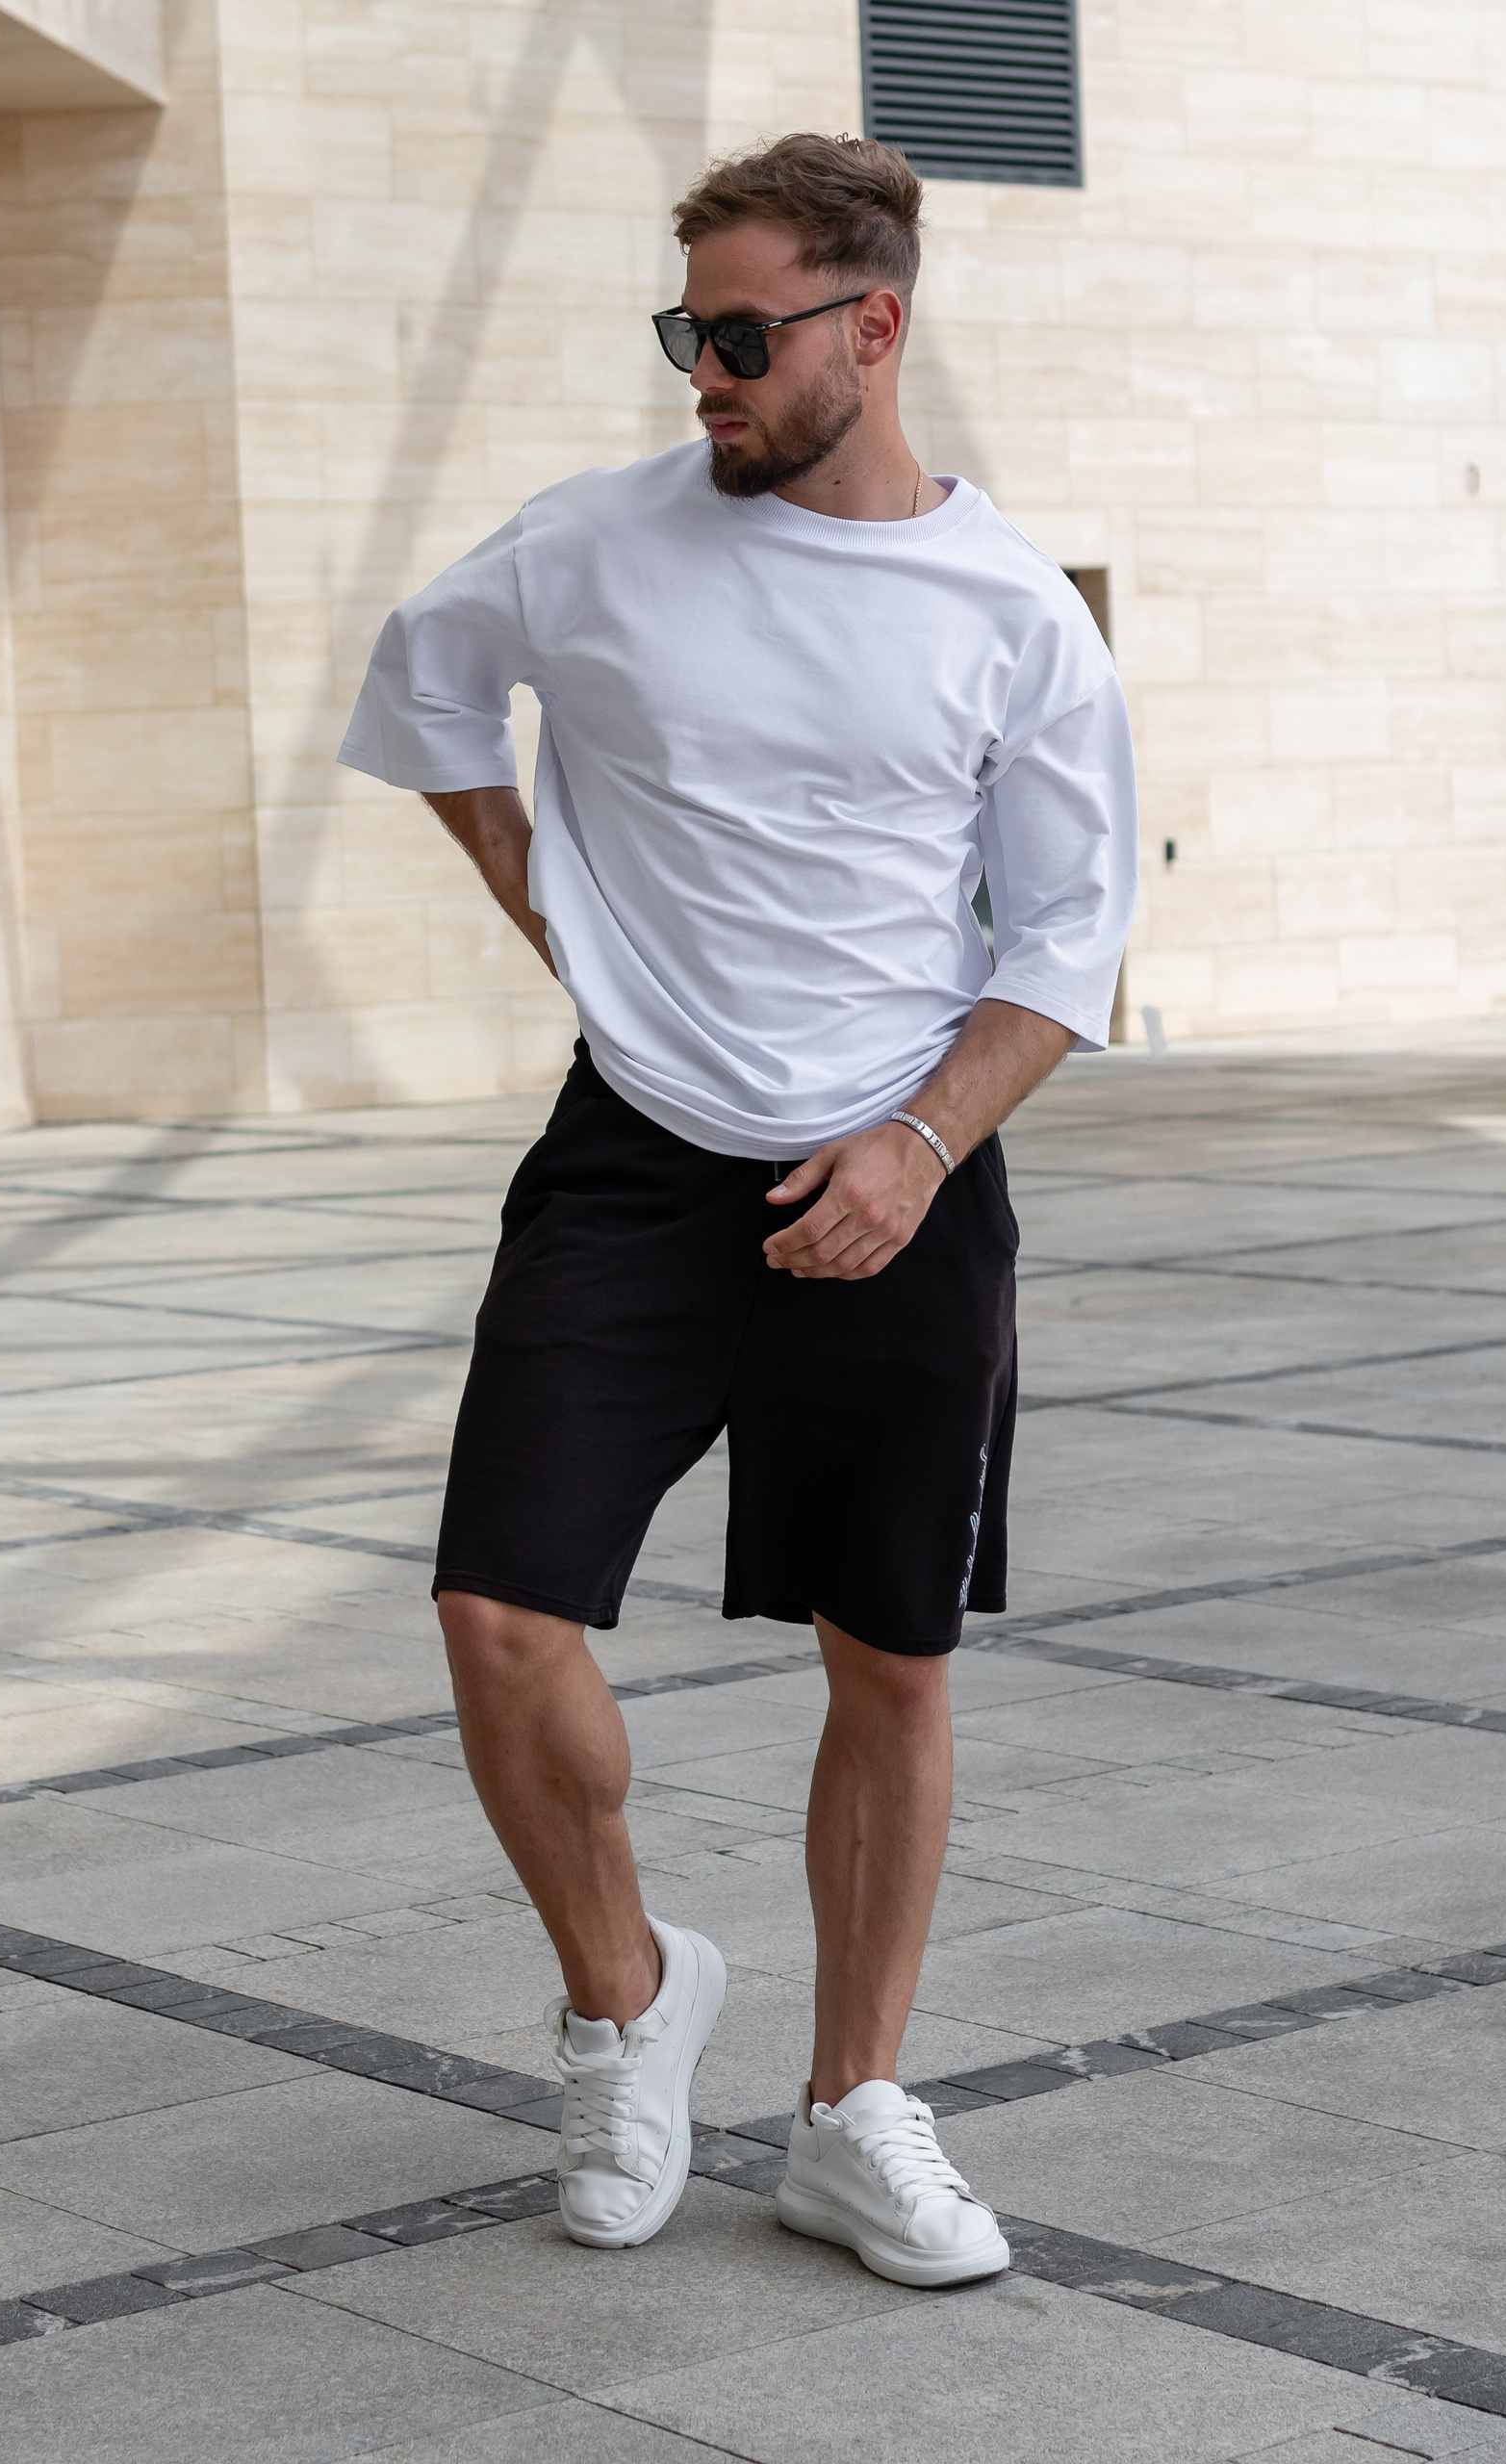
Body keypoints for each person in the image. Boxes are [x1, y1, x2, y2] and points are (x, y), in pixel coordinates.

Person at [339, 131, 1137, 2288]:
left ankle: (851, 2112)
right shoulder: (591, 541)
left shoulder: (1010, 611)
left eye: (741, 334)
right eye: (684, 330)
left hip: (901, 1174)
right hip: (633, 1152)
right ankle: (627, 2002)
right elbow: (425, 685)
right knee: (499, 1611)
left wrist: (922, 1146)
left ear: (873, 327)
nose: (703, 370)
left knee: (892, 1660)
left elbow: (1070, 936)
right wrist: (546, 907)